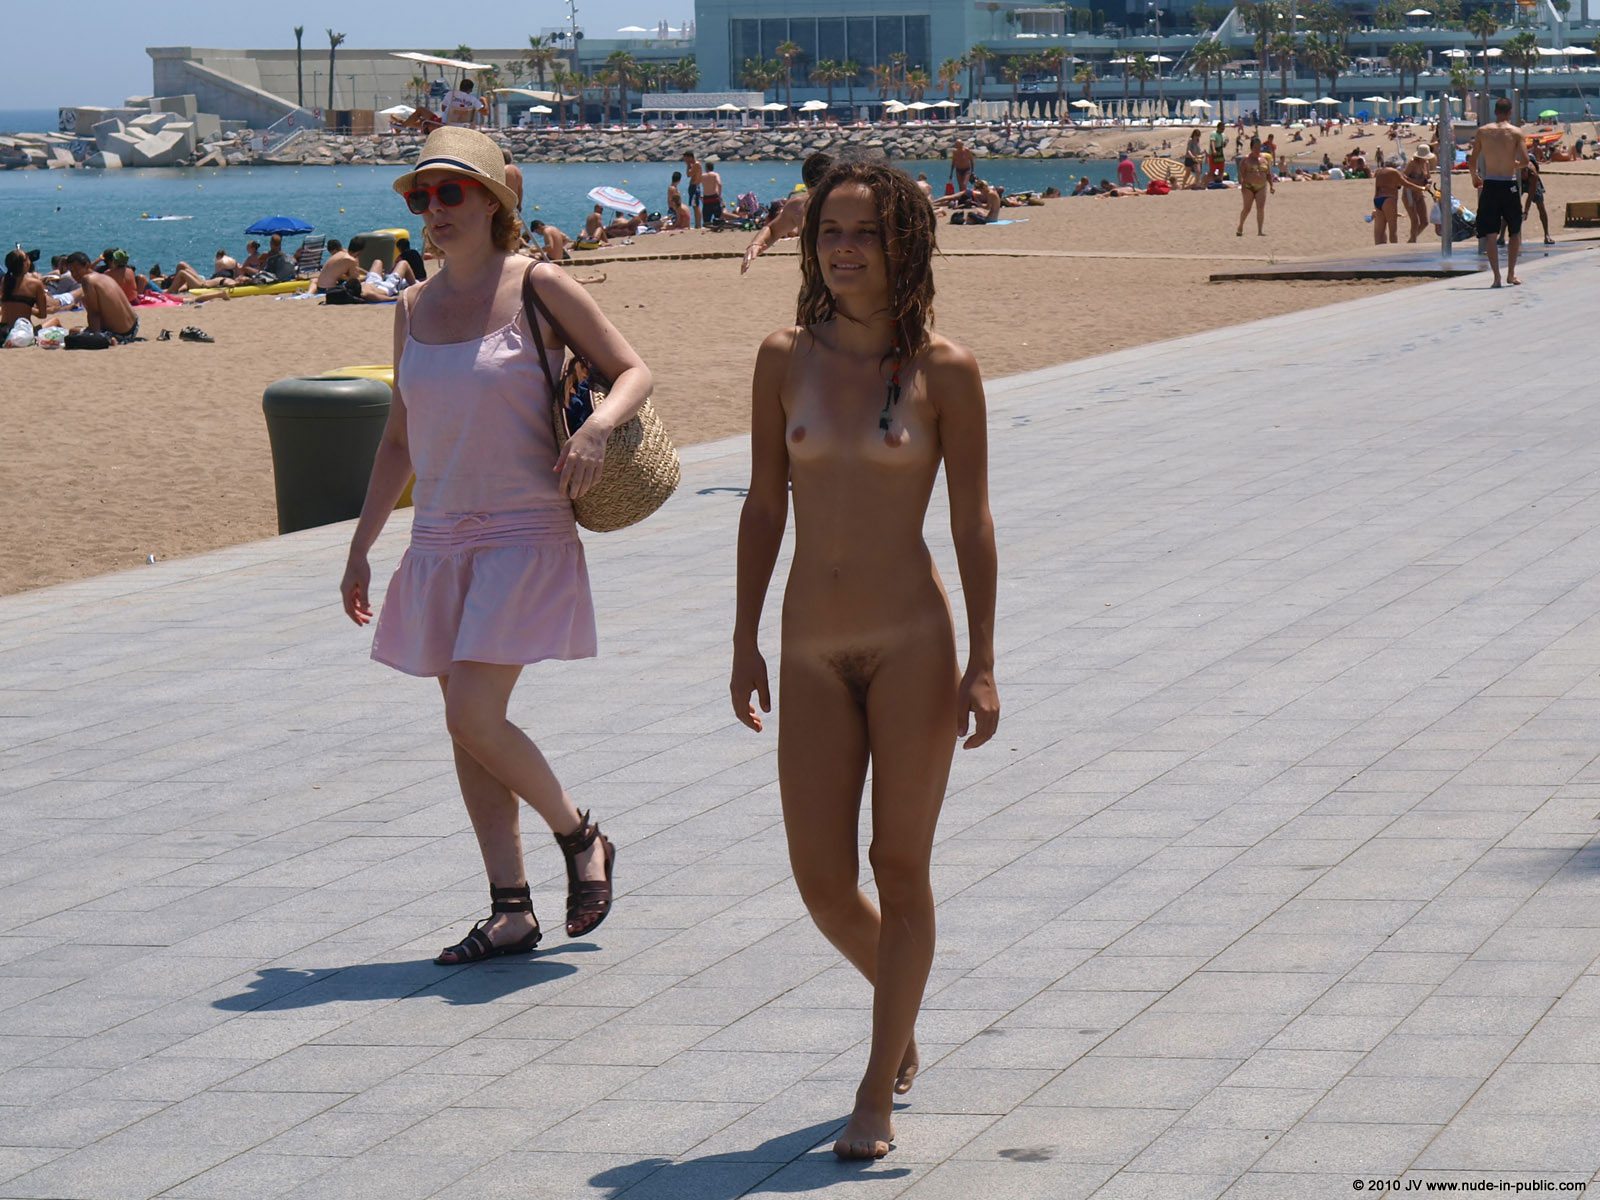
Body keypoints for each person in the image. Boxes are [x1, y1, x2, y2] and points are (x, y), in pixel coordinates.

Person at [731, 159, 999, 1162]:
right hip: (807, 646)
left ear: (905, 245)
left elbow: (972, 525)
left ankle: (875, 1086)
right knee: (821, 882)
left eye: (866, 233)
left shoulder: (946, 371)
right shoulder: (782, 358)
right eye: (830, 232)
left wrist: (983, 659)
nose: (844, 250)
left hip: (911, 646)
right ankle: (903, 1004)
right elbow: (764, 507)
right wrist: (742, 638)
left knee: (899, 863)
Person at [341, 126, 651, 965]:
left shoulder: (538, 284)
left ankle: (580, 835)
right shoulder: (411, 307)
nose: (434, 209)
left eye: (452, 192)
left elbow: (632, 370)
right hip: (440, 536)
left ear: (493, 201)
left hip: (523, 531)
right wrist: (362, 545)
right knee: (468, 729)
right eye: (422, 196)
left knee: (472, 713)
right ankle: (510, 908)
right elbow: (399, 439)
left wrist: (597, 431)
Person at [1467, 96, 1529, 287]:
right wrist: (1515, 164)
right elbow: (1525, 161)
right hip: (1509, 184)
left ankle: (1496, 277)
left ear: (1495, 112)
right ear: (1510, 112)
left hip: (1491, 184)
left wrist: (1475, 177)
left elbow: (1472, 159)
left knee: (1490, 233)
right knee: (1515, 230)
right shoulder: (1516, 132)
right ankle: (1511, 274)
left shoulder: (1483, 131)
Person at [743, 152, 834, 273]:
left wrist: (756, 244)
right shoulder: (798, 205)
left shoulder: (799, 204)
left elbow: (772, 229)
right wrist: (756, 244)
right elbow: (772, 230)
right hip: (818, 278)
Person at [64, 252, 140, 342]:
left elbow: (94, 313)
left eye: (77, 270)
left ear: (87, 265)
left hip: (120, 334)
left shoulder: (87, 280)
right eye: (72, 271)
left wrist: (95, 336)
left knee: (73, 331)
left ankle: (110, 339)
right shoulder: (103, 276)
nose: (75, 274)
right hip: (134, 327)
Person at [1371, 160, 1428, 245]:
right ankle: (1395, 249)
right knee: (1392, 230)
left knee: (1380, 231)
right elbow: (1407, 184)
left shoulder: (1379, 172)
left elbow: (1377, 188)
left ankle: (1379, 249)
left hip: (1377, 199)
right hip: (1389, 199)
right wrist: (1422, 188)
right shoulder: (1394, 172)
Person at [1, 248, 57, 333]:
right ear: (25, 264)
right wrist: (30, 309)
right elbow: (42, 315)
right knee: (55, 321)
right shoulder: (36, 283)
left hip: (3, 331)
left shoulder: (5, 280)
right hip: (22, 332)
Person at [1236, 137, 1273, 236]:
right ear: (1251, 148)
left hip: (1261, 186)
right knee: (1247, 209)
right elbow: (1241, 172)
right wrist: (1242, 183)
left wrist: (1271, 185)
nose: (1257, 150)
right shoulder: (1246, 159)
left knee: (1260, 208)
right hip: (1248, 187)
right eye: (1255, 148)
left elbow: (1268, 173)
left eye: (1259, 147)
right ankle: (1240, 226)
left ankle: (1260, 231)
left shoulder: (1265, 158)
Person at [1401, 145, 1434, 243]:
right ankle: (1413, 242)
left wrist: (1428, 183)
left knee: (1424, 222)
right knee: (1415, 221)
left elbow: (1429, 177)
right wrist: (1416, 182)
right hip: (1409, 194)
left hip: (1420, 194)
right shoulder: (1412, 163)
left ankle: (1411, 241)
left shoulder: (1426, 164)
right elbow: (1403, 177)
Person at [1521, 157, 1553, 245]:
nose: (1523, 175)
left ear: (1526, 171)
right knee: (1510, 205)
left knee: (1540, 205)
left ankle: (1547, 234)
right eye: (1521, 173)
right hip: (1518, 181)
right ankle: (1501, 236)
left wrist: (1526, 211)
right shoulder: (1516, 173)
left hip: (1532, 183)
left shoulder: (1533, 174)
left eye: (1524, 172)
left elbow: (1531, 195)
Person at [701, 158, 725, 226]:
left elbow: (697, 185)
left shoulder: (702, 176)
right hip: (714, 197)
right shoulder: (715, 175)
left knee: (706, 220)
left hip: (706, 198)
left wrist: (700, 196)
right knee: (718, 218)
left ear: (706, 168)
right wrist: (719, 195)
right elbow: (719, 184)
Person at [682, 150, 703, 228]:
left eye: (686, 159)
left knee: (696, 206)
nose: (685, 160)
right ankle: (697, 224)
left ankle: (698, 224)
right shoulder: (694, 165)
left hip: (695, 187)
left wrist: (688, 165)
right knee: (695, 206)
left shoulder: (696, 164)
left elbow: (689, 174)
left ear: (690, 157)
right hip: (693, 187)